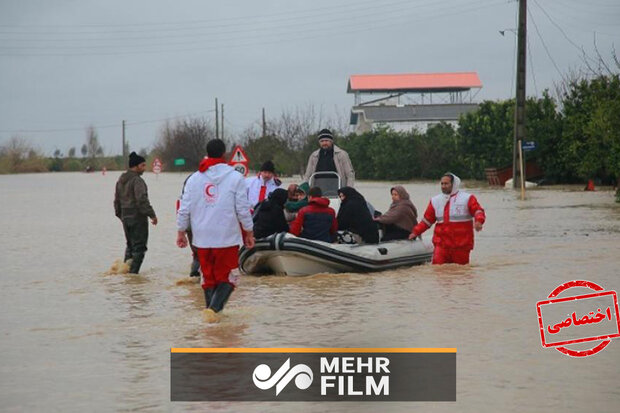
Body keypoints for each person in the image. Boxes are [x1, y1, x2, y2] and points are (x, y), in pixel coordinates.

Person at [176, 139, 255, 322]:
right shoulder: (236, 177)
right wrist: (249, 232)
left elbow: (184, 208)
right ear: (224, 155)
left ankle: (210, 325)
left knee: (208, 279)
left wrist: (181, 231)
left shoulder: (194, 178)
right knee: (228, 278)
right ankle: (212, 312)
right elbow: (243, 209)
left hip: (202, 238)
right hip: (226, 237)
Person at [409, 173, 485, 265]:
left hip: (461, 245)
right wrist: (415, 232)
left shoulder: (467, 198)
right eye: (442, 184)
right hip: (441, 245)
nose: (443, 186)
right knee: (438, 270)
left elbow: (478, 211)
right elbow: (427, 221)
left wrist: (479, 221)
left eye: (446, 184)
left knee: (461, 273)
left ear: (453, 185)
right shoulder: (435, 200)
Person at [114, 152, 158, 274]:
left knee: (130, 247)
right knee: (139, 248)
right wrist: (152, 215)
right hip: (138, 219)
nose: (144, 168)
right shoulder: (137, 181)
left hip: (125, 218)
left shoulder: (121, 180)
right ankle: (133, 275)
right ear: (136, 166)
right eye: (143, 165)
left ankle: (125, 274)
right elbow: (141, 200)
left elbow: (116, 201)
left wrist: (121, 216)